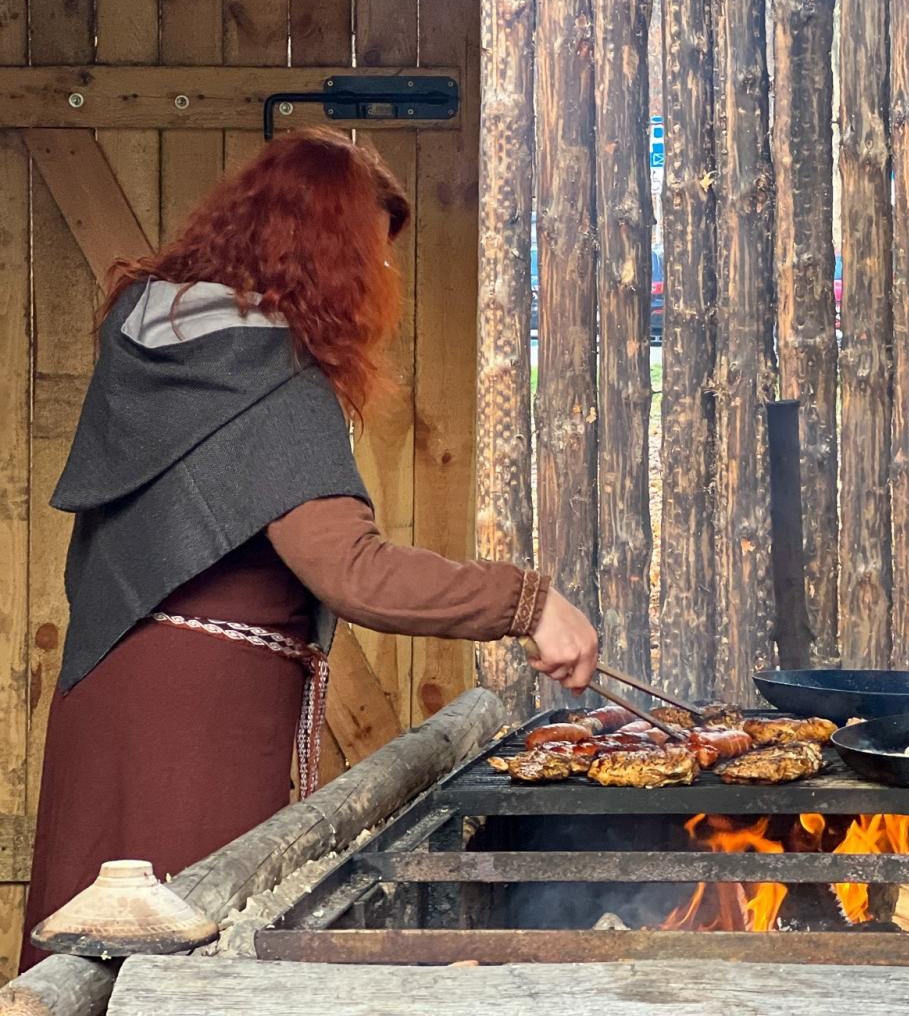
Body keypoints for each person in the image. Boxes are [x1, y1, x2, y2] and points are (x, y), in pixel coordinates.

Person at [20, 129, 597, 971]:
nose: (383, 279)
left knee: (99, 969)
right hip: (196, 727)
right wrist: (528, 603)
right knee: (176, 973)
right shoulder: (265, 372)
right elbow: (350, 570)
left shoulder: (166, 339)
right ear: (322, 250)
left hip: (114, 700)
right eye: (371, 253)